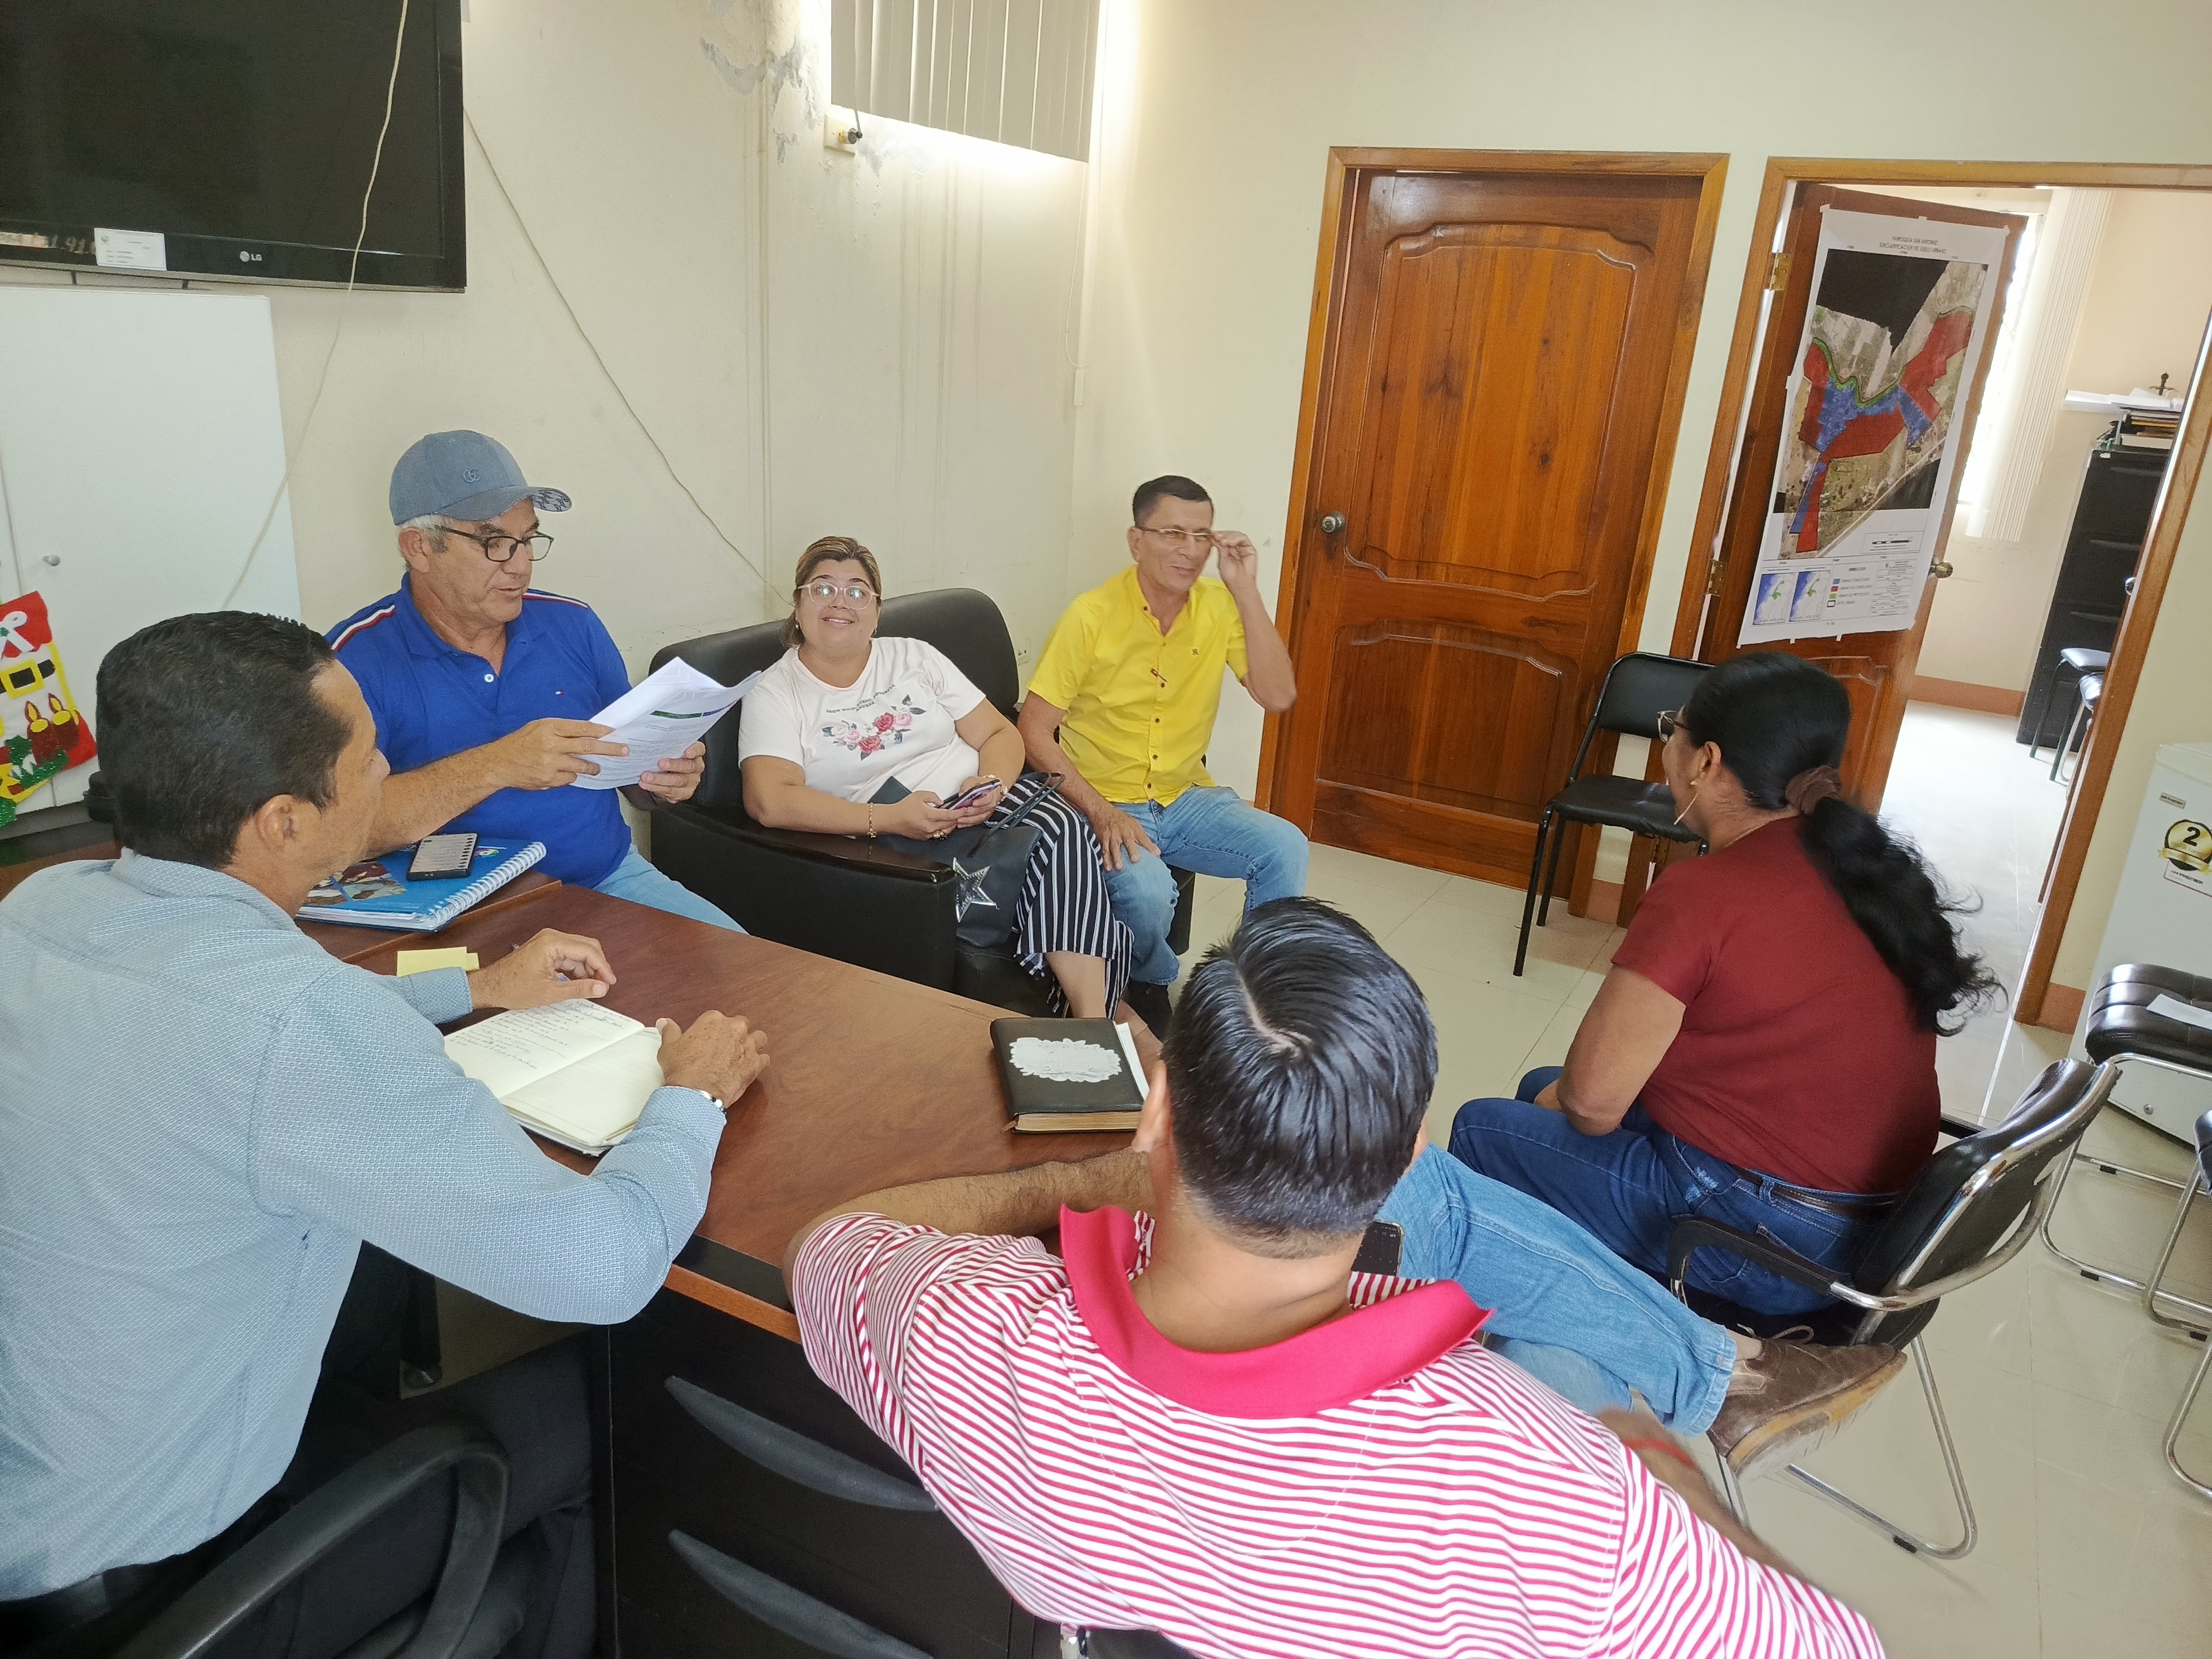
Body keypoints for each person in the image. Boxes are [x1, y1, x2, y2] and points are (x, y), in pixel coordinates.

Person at [787, 899, 1884, 1658]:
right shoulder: (1531, 1483)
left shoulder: (971, 1334)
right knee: (1561, 1358)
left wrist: (1083, 1182)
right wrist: (1646, 1461)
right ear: (1405, 1150)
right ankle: (1710, 1386)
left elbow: (830, 1242)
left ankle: (1711, 1376)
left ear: (1157, 1112)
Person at [0, 613, 768, 1657]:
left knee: (400, 1286)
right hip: (156, 1574)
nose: (387, 774)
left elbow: (229, 1031)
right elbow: (604, 1267)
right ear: (283, 822)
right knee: (590, 1400)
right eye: (368, 757)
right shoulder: (298, 1024)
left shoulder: (46, 905)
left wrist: (475, 987)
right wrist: (692, 1098)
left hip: (42, 1477)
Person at [1450, 650, 2000, 1315]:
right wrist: (1559, 1100)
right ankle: (1570, 1288)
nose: (1667, 747)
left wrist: (1560, 1104)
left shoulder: (1703, 892)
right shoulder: (1862, 872)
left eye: (1671, 730)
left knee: (1483, 1128)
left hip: (1773, 1241)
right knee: (1539, 1092)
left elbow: (1593, 1104)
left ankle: (1572, 1329)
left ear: (1704, 762)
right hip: (1877, 1224)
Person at [327, 429, 741, 930]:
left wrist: (664, 778)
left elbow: (633, 777)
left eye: (527, 540)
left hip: (607, 880)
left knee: (748, 964)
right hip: (452, 912)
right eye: (495, 543)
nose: (521, 567)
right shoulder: (349, 662)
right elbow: (339, 832)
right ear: (419, 548)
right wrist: (500, 763)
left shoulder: (573, 624)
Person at [738, 537, 1144, 1036]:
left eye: (858, 591)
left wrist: (992, 785)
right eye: (823, 588)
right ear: (798, 606)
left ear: (876, 612)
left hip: (977, 804)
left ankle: (1092, 1023)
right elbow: (769, 800)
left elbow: (999, 734)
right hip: (887, 834)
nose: (840, 602)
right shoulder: (775, 691)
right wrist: (889, 818)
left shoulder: (914, 657)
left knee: (1061, 822)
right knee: (1055, 846)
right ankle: (1106, 1023)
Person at [1020, 474, 1306, 1031]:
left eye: (1201, 536)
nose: (1190, 551)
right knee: (1148, 894)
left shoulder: (1220, 607)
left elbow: (1277, 696)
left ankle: (1253, 998)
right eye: (1173, 533)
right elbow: (1033, 731)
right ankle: (1150, 981)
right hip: (1104, 799)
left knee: (1284, 847)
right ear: (1137, 541)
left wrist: (1246, 590)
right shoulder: (1091, 615)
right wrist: (1100, 812)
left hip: (1186, 796)